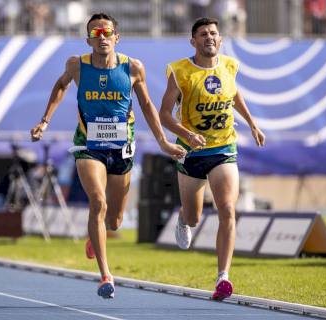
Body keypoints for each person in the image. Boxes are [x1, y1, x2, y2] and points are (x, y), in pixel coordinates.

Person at [30, 12, 186, 299]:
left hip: (121, 148)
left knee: (113, 220)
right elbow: (61, 86)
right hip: (88, 146)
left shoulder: (133, 68)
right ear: (89, 39)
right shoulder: (77, 65)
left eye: (107, 33)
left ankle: (96, 235)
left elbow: (148, 106)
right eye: (96, 33)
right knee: (97, 201)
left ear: (117, 37)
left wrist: (162, 141)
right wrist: (45, 121)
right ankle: (105, 275)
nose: (102, 38)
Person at [159, 17, 265, 301]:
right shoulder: (179, 71)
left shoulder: (230, 66)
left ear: (220, 39)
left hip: (223, 148)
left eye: (214, 33)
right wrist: (186, 134)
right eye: (203, 33)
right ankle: (183, 217)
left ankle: (223, 278)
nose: (209, 37)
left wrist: (252, 123)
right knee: (194, 217)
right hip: (191, 152)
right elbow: (164, 115)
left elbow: (234, 94)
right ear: (193, 40)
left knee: (227, 209)